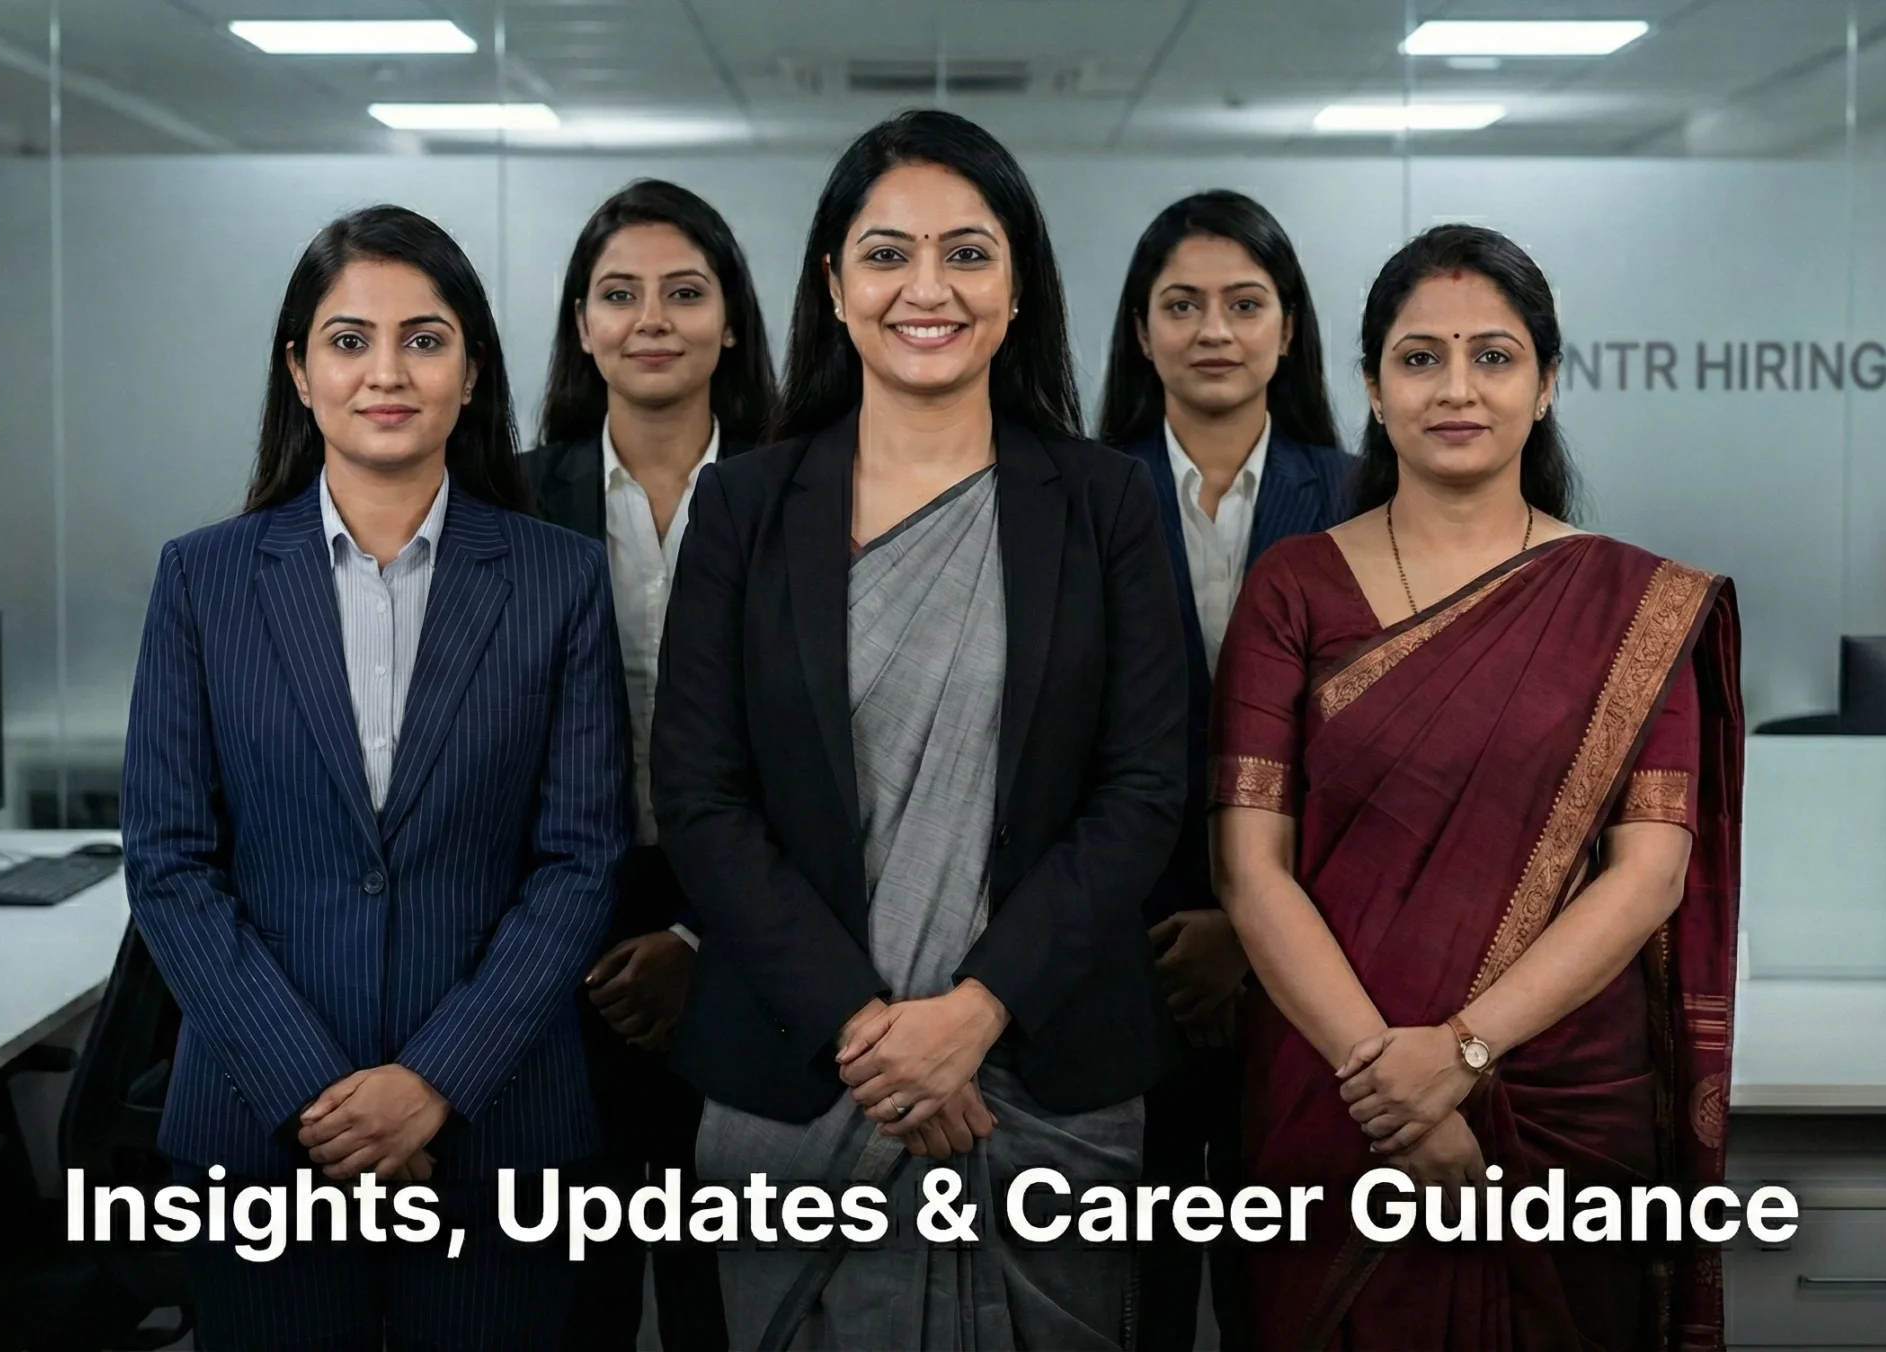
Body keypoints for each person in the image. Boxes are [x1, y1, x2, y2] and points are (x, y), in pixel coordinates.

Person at [651, 109, 1189, 1349]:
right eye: (887, 254)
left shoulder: (1104, 502)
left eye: (968, 252)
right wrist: (865, 1028)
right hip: (797, 1070)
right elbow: (700, 795)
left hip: (1042, 1070)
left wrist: (977, 1010)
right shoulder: (743, 507)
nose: (927, 288)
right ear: (833, 286)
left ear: (1018, 286)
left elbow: (1142, 788)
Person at [1210, 223, 1742, 1351]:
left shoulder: (1631, 606)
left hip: (1558, 1099)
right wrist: (1388, 1086)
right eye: (1420, 358)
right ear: (1372, 387)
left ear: (1545, 385)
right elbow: (1251, 870)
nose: (1457, 389)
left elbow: (1648, 874)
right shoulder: (1293, 587)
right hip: (1332, 1091)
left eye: (1493, 357)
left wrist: (1459, 1053)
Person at [121, 205, 627, 1351]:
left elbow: (580, 862)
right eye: (348, 340)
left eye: (424, 339)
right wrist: (312, 1092)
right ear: (300, 372)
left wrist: (435, 1079)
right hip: (261, 1128)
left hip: (498, 1125)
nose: (385, 372)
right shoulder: (203, 580)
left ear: (471, 371)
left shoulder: (558, 580)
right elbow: (168, 861)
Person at [523, 177, 775, 1352]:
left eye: (685, 291)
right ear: (583, 325)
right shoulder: (515, 499)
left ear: (731, 321)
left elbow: (838, 754)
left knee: (724, 1284)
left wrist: (698, 937)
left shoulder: (804, 494)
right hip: (555, 926)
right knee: (573, 1288)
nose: (652, 319)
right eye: (619, 294)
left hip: (757, 921)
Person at [1095, 188, 1349, 1351]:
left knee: (1283, 1300)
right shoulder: (1073, 495)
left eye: (1244, 304)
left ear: (1287, 329)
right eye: (1181, 304)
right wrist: (1162, 926)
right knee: (1124, 1302)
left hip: (1306, 972)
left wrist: (1250, 930)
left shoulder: (1358, 497)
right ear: (1140, 330)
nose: (1213, 330)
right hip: (1115, 961)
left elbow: (1374, 761)